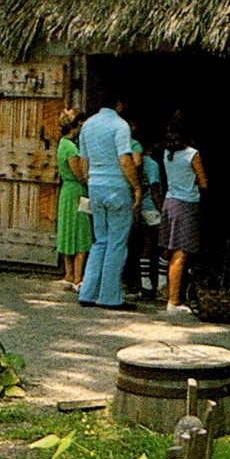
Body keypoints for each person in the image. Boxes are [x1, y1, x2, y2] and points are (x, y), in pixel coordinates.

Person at [76, 87, 141, 310]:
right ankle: (110, 297)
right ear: (120, 104)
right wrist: (136, 187)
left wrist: (89, 181)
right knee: (117, 242)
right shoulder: (120, 125)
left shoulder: (88, 125)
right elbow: (124, 159)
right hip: (117, 186)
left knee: (100, 240)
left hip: (95, 185)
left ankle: (87, 292)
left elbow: (83, 159)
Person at [160, 113, 207, 315]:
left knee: (168, 249)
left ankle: (164, 288)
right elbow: (203, 182)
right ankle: (174, 300)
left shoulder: (166, 153)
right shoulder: (192, 154)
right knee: (181, 253)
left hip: (169, 202)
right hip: (186, 204)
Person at [54, 108, 92, 290]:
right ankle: (78, 277)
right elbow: (79, 175)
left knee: (67, 230)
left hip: (66, 191)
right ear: (75, 127)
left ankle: (68, 274)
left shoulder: (62, 144)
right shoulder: (71, 148)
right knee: (81, 232)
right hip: (76, 191)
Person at [123, 133, 163, 299]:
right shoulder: (152, 164)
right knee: (164, 245)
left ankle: (145, 283)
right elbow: (154, 189)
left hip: (139, 207)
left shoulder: (133, 164)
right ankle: (162, 283)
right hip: (151, 208)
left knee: (145, 245)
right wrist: (162, 210)